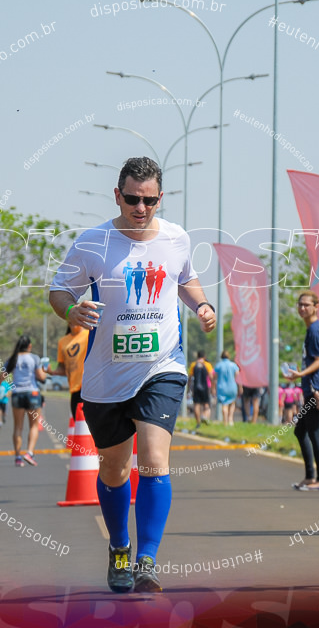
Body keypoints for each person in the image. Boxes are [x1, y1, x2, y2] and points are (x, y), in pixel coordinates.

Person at [49, 156, 216, 594]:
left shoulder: (177, 238)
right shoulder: (93, 242)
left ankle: (146, 561)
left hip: (161, 367)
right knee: (114, 471)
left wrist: (201, 304)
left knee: (155, 462)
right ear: (117, 195)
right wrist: (72, 308)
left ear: (161, 199)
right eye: (131, 199)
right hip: (105, 375)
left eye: (149, 201)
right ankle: (119, 548)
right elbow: (59, 289)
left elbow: (186, 279)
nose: (140, 208)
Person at [284, 291, 319, 492]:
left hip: (314, 388)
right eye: (300, 304)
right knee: (300, 430)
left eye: (306, 305)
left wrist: (300, 373)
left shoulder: (314, 330)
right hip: (313, 386)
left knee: (313, 432)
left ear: (315, 307)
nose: (302, 308)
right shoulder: (315, 329)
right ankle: (311, 476)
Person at [0, 335, 46, 466]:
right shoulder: (34, 358)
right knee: (34, 425)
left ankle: (18, 457)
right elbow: (41, 376)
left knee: (18, 427)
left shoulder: (13, 359)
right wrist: (45, 373)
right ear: (29, 346)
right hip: (32, 393)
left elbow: (2, 375)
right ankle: (29, 453)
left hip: (17, 394)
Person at [48, 323, 89, 421]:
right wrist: (51, 372)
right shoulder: (63, 341)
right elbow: (63, 368)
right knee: (79, 426)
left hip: (88, 387)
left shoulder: (89, 335)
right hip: (74, 390)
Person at [188, 351, 215, 427]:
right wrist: (213, 387)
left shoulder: (193, 365)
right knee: (206, 404)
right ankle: (205, 416)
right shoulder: (207, 364)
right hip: (205, 387)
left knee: (196, 404)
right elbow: (211, 376)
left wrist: (188, 388)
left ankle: (198, 422)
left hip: (196, 387)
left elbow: (190, 378)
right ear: (204, 356)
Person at [214, 351, 241, 426]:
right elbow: (237, 375)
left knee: (224, 404)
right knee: (232, 403)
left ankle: (225, 421)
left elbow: (215, 377)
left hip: (222, 387)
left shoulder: (219, 365)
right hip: (232, 386)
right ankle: (230, 419)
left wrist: (213, 387)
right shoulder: (233, 365)